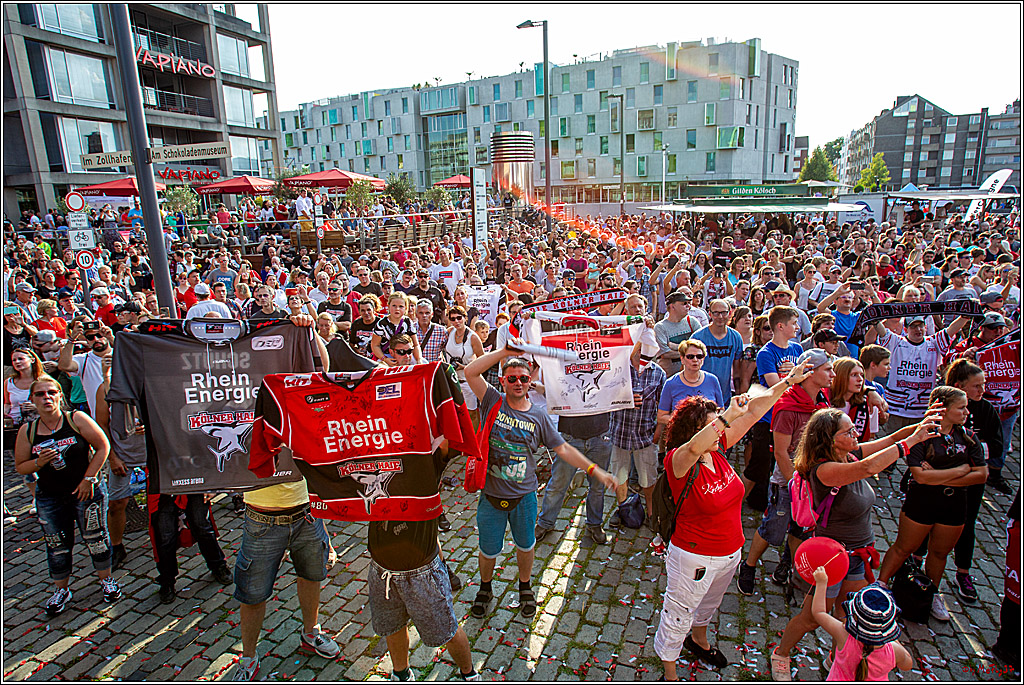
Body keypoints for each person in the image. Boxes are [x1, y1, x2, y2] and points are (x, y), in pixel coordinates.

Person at [654, 361, 814, 680]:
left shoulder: (717, 449)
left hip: (729, 554)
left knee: (707, 607)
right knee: (679, 613)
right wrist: (727, 415)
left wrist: (787, 383)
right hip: (694, 557)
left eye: (719, 426)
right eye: (713, 427)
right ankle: (669, 671)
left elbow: (754, 412)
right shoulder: (679, 459)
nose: (721, 432)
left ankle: (698, 640)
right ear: (694, 430)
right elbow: (699, 443)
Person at [770, 406, 941, 680]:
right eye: (848, 431)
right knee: (813, 617)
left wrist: (920, 427)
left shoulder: (847, 452)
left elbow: (886, 442)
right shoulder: (825, 470)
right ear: (830, 438)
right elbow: (869, 466)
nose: (855, 434)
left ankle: (838, 657)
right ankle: (782, 652)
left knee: (848, 613)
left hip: (858, 556)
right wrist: (910, 443)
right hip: (832, 559)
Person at [463, 348, 617, 620]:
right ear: (502, 381)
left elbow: (564, 450)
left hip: (524, 497)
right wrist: (505, 351)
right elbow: (470, 372)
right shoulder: (491, 401)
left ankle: (525, 587)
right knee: (488, 550)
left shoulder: (538, 416)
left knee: (526, 546)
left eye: (523, 378)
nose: (518, 383)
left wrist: (596, 471)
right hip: (490, 495)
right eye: (512, 379)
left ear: (529, 381)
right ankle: (485, 588)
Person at [13, 376, 120, 616]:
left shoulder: (75, 419)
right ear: (32, 400)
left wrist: (88, 479)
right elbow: (21, 466)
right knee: (57, 544)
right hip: (51, 496)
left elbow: (103, 447)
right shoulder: (28, 431)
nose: (46, 397)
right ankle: (61, 590)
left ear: (60, 395)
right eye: (40, 394)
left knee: (96, 537)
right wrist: (38, 462)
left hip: (85, 491)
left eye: (51, 392)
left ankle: (107, 581)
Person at [738, 348, 834, 597]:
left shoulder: (822, 401)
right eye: (827, 369)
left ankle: (790, 568)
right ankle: (748, 566)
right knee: (772, 529)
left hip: (812, 483)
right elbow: (781, 453)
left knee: (799, 530)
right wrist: (798, 486)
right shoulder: (788, 407)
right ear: (811, 373)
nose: (832, 374)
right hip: (788, 483)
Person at [940, 358, 1004, 604]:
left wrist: (972, 451)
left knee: (967, 524)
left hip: (971, 481)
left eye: (983, 385)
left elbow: (997, 446)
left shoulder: (986, 409)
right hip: (942, 477)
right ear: (960, 386)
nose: (981, 390)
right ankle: (916, 561)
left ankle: (963, 572)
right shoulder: (944, 407)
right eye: (976, 386)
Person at [744, 306, 804, 510]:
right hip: (768, 418)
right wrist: (792, 377)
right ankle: (734, 502)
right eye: (793, 323)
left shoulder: (797, 349)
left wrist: (790, 377)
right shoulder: (766, 353)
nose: (797, 327)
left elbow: (805, 379)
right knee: (758, 467)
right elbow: (772, 384)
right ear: (781, 326)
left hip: (791, 417)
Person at [809, 570, 912, 681]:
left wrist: (821, 583)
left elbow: (819, 612)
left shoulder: (843, 635)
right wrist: (890, 637)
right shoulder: (895, 651)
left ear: (853, 616)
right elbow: (907, 664)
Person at [690, 299, 745, 404]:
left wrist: (738, 394)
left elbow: (737, 370)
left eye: (724, 313)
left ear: (729, 313)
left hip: (725, 395)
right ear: (710, 314)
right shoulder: (698, 337)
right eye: (716, 313)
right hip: (700, 395)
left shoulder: (735, 337)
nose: (720, 317)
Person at [371, 293, 422, 366]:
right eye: (394, 306)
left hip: (405, 354)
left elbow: (416, 344)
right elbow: (375, 345)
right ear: (388, 306)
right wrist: (384, 359)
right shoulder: (382, 324)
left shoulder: (407, 322)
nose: (397, 309)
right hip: (386, 356)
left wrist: (419, 360)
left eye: (401, 306)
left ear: (406, 308)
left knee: (424, 364)